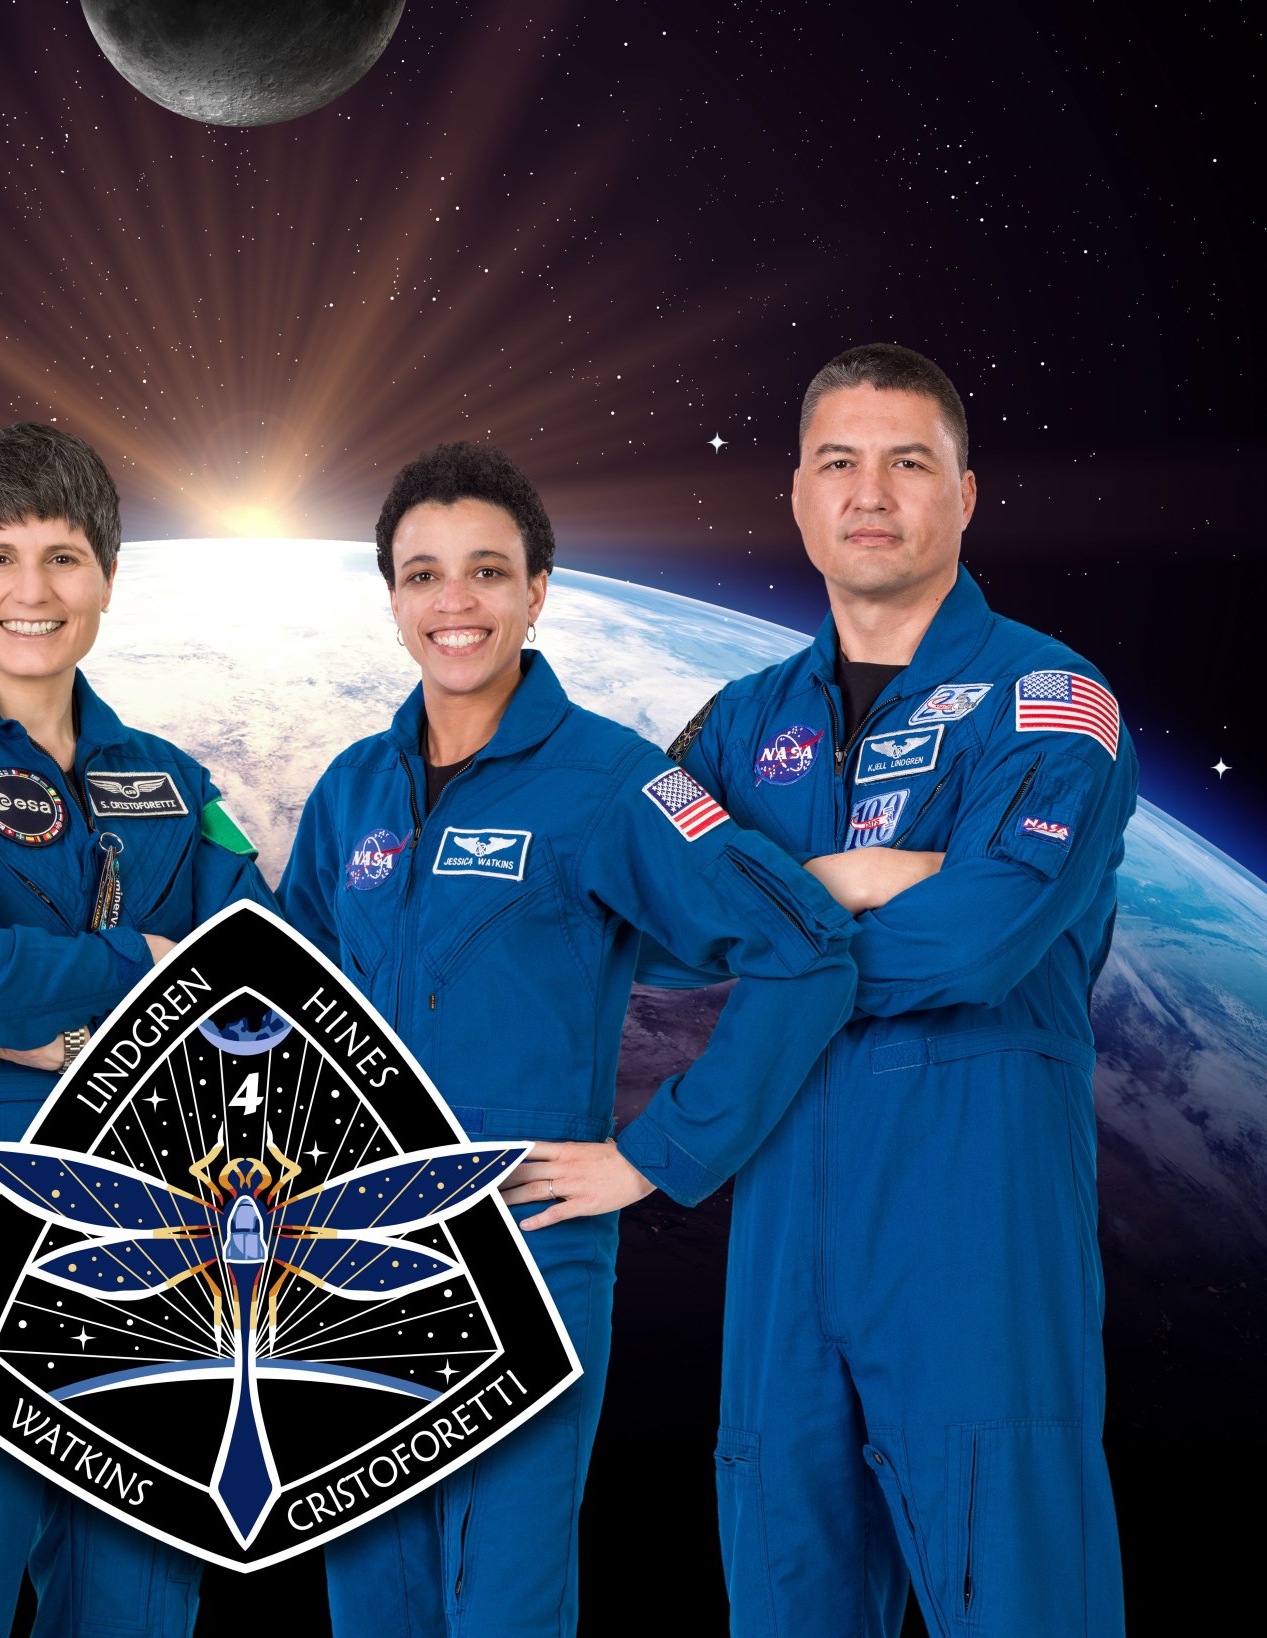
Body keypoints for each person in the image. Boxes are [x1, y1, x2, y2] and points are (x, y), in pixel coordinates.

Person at [277, 442, 860, 1638]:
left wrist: (654, 1155)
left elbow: (800, 951)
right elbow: (287, 1006)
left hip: (519, 1255)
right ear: (390, 597)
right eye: (424, 575)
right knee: (372, 1606)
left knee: (501, 1603)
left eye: (486, 572)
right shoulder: (351, 791)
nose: (455, 604)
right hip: (340, 1254)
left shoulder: (611, 784)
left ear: (536, 589)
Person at [644, 344, 1131, 1636]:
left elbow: (976, 942)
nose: (872, 492)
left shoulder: (1053, 700)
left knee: (1021, 1593)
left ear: (965, 496)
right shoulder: (743, 719)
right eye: (839, 464)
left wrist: (769, 910)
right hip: (785, 1246)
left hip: (976, 1238)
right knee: (784, 1587)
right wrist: (852, 876)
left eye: (909, 462)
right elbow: (645, 915)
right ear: (798, 500)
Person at [0, 421, 278, 1638]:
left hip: (157, 1222)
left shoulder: (173, 785)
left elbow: (268, 992)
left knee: (131, 1613)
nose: (32, 592)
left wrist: (64, 1030)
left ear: (109, 577)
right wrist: (142, 964)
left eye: (64, 557)